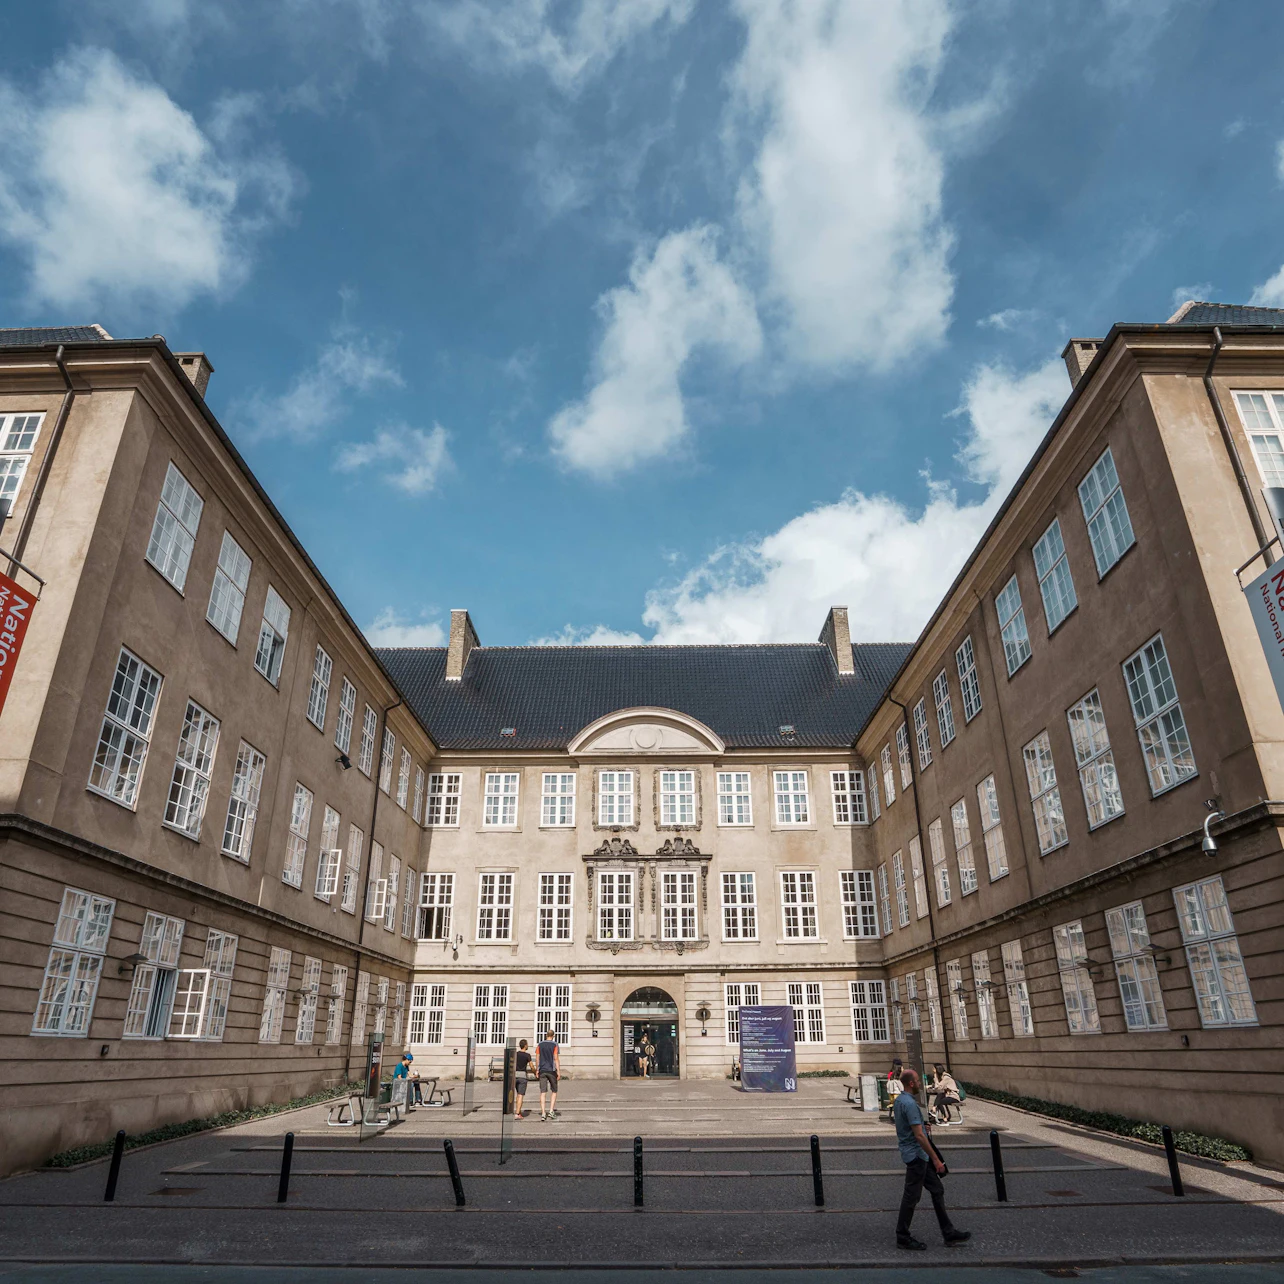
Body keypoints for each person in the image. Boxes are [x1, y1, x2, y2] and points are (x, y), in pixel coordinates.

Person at [893, 1068, 970, 1251]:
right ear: (911, 1083)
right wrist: (935, 1159)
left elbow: (913, 1128)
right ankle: (902, 1236)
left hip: (917, 1154)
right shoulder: (910, 1104)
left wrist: (922, 1126)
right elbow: (919, 1136)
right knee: (911, 1197)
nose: (920, 1084)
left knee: (937, 1189)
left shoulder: (900, 1101)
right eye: (918, 1081)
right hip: (917, 1156)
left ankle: (948, 1232)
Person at [537, 1028, 560, 1120]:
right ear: (553, 1036)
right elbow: (556, 1058)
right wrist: (558, 1071)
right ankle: (551, 1110)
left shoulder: (540, 1044)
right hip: (551, 1070)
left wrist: (537, 1069)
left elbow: (537, 1057)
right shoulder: (555, 1045)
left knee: (543, 1092)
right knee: (554, 1091)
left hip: (542, 1069)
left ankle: (543, 1112)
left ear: (546, 1035)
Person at [514, 1039, 533, 1119]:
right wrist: (535, 1072)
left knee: (518, 1094)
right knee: (521, 1095)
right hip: (522, 1076)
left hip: (514, 1076)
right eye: (527, 1044)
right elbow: (531, 1066)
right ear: (525, 1045)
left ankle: (518, 1110)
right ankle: (517, 1113)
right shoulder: (527, 1055)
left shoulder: (515, 1054)